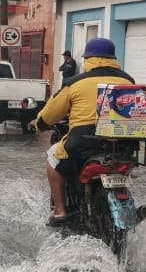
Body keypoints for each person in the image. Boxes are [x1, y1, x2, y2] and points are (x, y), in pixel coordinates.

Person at [33, 37, 134, 227]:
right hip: (122, 144)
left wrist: (38, 124)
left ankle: (60, 211)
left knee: (52, 157)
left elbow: (50, 114)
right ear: (113, 58)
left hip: (84, 142)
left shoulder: (75, 82)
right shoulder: (127, 80)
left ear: (88, 59)